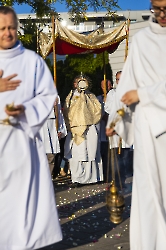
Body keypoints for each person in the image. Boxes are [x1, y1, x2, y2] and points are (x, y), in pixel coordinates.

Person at [0, 6, 62, 250]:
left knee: (22, 203)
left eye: (12, 27)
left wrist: (26, 110)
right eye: (2, 28)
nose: (8, 33)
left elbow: (48, 96)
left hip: (23, 142)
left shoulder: (32, 61)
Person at [106, 0, 166, 249]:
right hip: (144, 129)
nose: (161, 15)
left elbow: (138, 92)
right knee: (147, 195)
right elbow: (128, 88)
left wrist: (146, 94)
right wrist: (116, 120)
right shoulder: (141, 42)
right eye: (156, 8)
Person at [63, 74, 103, 187]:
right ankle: (77, 178)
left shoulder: (91, 96)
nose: (79, 85)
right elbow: (67, 111)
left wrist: (85, 99)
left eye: (82, 82)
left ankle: (93, 177)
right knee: (76, 154)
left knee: (91, 152)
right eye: (77, 82)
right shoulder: (70, 97)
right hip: (76, 130)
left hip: (89, 128)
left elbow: (97, 110)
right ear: (74, 84)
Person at [105, 71, 133, 190]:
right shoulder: (112, 93)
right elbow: (109, 108)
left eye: (121, 79)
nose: (119, 82)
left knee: (126, 159)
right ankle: (116, 182)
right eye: (117, 79)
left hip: (126, 130)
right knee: (116, 159)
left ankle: (123, 181)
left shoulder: (130, 93)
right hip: (115, 128)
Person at [40, 95, 67, 177]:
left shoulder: (55, 96)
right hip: (41, 127)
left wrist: (60, 129)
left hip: (52, 127)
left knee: (51, 155)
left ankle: (47, 177)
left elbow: (59, 114)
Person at [97, 79, 113, 182]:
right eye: (103, 85)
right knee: (102, 155)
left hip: (111, 129)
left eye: (107, 85)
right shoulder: (98, 99)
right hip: (101, 131)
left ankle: (111, 175)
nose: (105, 87)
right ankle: (103, 175)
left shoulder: (114, 95)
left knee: (110, 155)